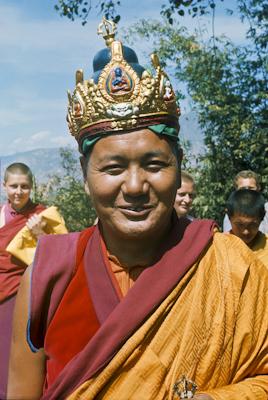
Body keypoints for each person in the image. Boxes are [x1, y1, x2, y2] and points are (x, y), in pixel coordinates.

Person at [7, 18, 268, 400]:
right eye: (113, 168)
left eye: (154, 165)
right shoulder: (49, 274)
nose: (134, 187)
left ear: (179, 166)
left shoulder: (233, 269)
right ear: (85, 173)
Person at [0, 162, 67, 399]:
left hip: (23, 296)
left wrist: (39, 234)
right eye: (14, 186)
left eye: (24, 186)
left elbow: (63, 257)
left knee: (17, 359)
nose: (19, 192)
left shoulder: (44, 215)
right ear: (4, 186)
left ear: (32, 187)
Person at [226, 189, 268, 267]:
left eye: (252, 225)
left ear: (262, 218)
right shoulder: (219, 247)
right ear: (229, 216)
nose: (246, 232)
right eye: (239, 225)